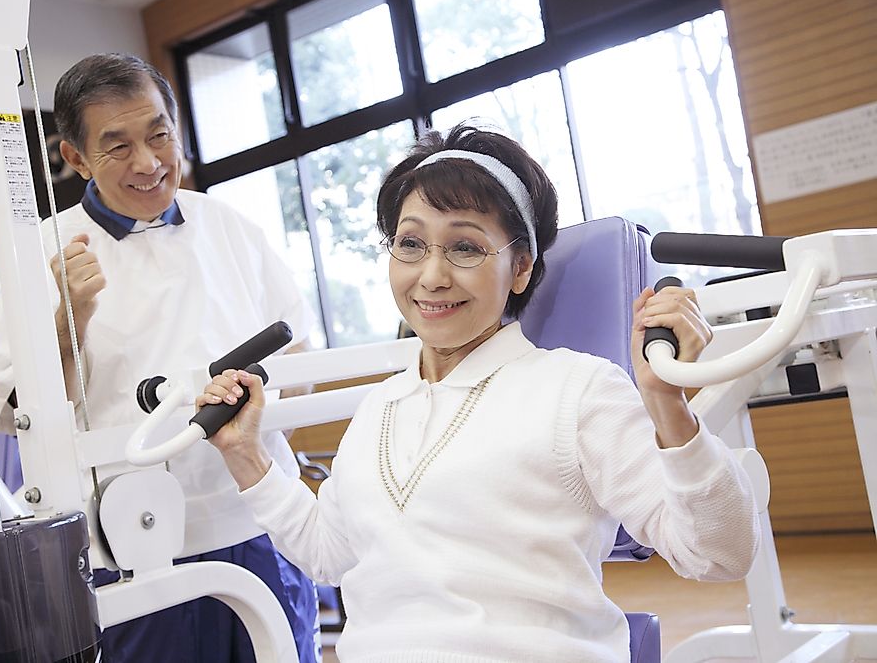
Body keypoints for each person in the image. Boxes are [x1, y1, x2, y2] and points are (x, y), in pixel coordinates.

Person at [195, 124, 761, 662]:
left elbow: (719, 554)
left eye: (464, 248)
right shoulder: (379, 408)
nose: (432, 275)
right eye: (410, 244)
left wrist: (667, 404)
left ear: (520, 267)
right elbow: (326, 554)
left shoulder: (577, 388)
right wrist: (245, 453)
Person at [0, 53, 319, 663]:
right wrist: (70, 324)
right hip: (130, 551)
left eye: (159, 134)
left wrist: (260, 422)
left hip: (257, 526)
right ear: (76, 158)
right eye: (117, 147)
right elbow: (24, 419)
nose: (148, 162)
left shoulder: (231, 226)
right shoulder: (38, 253)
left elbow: (296, 350)